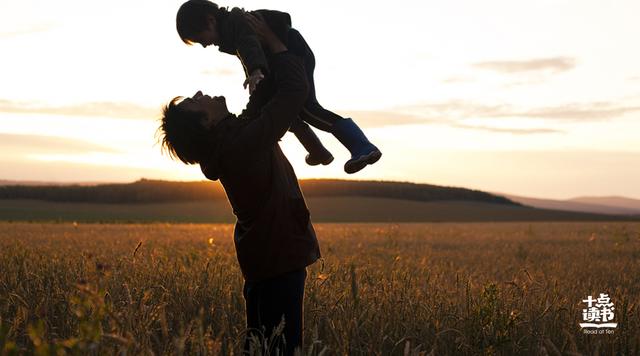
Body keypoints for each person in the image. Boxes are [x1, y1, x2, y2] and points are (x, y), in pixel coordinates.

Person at [157, 17, 320, 356]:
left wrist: (257, 68)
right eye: (194, 100)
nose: (201, 93)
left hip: (266, 258)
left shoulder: (229, 141)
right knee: (282, 349)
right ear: (206, 121)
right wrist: (277, 47)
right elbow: (294, 93)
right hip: (279, 256)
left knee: (261, 346)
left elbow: (258, 110)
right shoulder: (239, 145)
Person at [175, 0, 382, 174]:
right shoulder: (230, 31)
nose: (203, 45)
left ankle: (361, 145)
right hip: (278, 61)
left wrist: (255, 70)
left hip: (292, 52)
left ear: (210, 21)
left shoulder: (236, 23)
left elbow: (249, 45)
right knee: (284, 110)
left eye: (200, 38)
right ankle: (317, 151)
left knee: (308, 108)